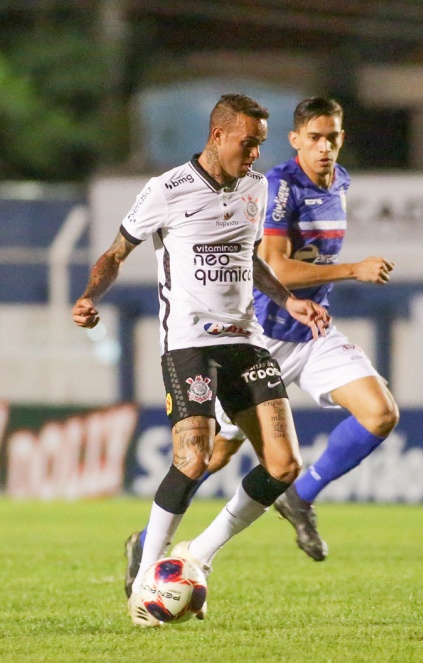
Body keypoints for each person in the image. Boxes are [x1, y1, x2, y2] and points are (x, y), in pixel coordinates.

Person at [73, 93, 331, 628]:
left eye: (261, 143)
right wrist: (91, 295)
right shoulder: (166, 190)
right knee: (193, 457)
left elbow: (251, 260)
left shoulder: (257, 189)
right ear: (218, 136)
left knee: (284, 466)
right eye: (248, 142)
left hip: (247, 341)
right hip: (189, 344)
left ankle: (198, 555)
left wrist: (287, 300)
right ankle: (147, 575)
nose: (256, 154)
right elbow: (115, 252)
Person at [123, 96, 398, 582]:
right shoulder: (278, 187)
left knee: (380, 413)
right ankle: (146, 544)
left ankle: (291, 500)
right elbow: (276, 265)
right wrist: (353, 269)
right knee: (212, 455)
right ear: (296, 141)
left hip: (312, 333)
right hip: (260, 338)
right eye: (314, 137)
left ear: (342, 138)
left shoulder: (342, 183)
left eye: (332, 137)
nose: (325, 147)